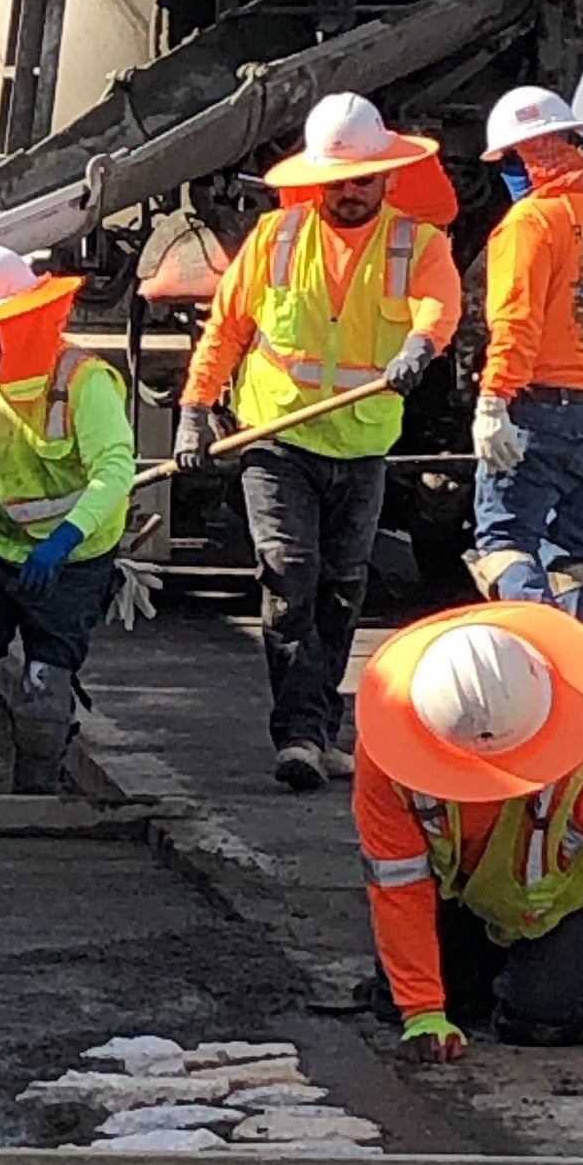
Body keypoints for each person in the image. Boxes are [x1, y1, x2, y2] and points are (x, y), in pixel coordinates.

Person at [178, 94, 463, 792]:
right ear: (316, 179)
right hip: (273, 438)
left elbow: (439, 303)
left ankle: (317, 727)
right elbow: (226, 331)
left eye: (362, 180)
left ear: (386, 177)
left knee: (341, 590)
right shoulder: (275, 239)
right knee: (288, 574)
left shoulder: (416, 244)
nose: (350, 193)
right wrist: (195, 407)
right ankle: (301, 733)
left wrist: (422, 344)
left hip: (362, 445)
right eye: (338, 181)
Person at [355, 603, 583, 1056]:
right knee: (405, 1004)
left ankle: (558, 968)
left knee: (539, 1020)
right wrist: (422, 1010)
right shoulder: (389, 759)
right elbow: (398, 887)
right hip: (467, 895)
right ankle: (485, 970)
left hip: (571, 901)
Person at [0, 241, 137, 796]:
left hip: (72, 564)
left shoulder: (83, 384)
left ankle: (30, 818)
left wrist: (61, 542)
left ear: (14, 326)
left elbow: (116, 469)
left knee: (43, 704)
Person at [472, 86, 583, 611]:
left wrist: (494, 399)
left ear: (524, 156)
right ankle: (582, 670)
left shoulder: (531, 222)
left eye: (507, 159)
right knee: (576, 554)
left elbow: (516, 320)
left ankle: (538, 662)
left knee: (504, 546)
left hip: (542, 407)